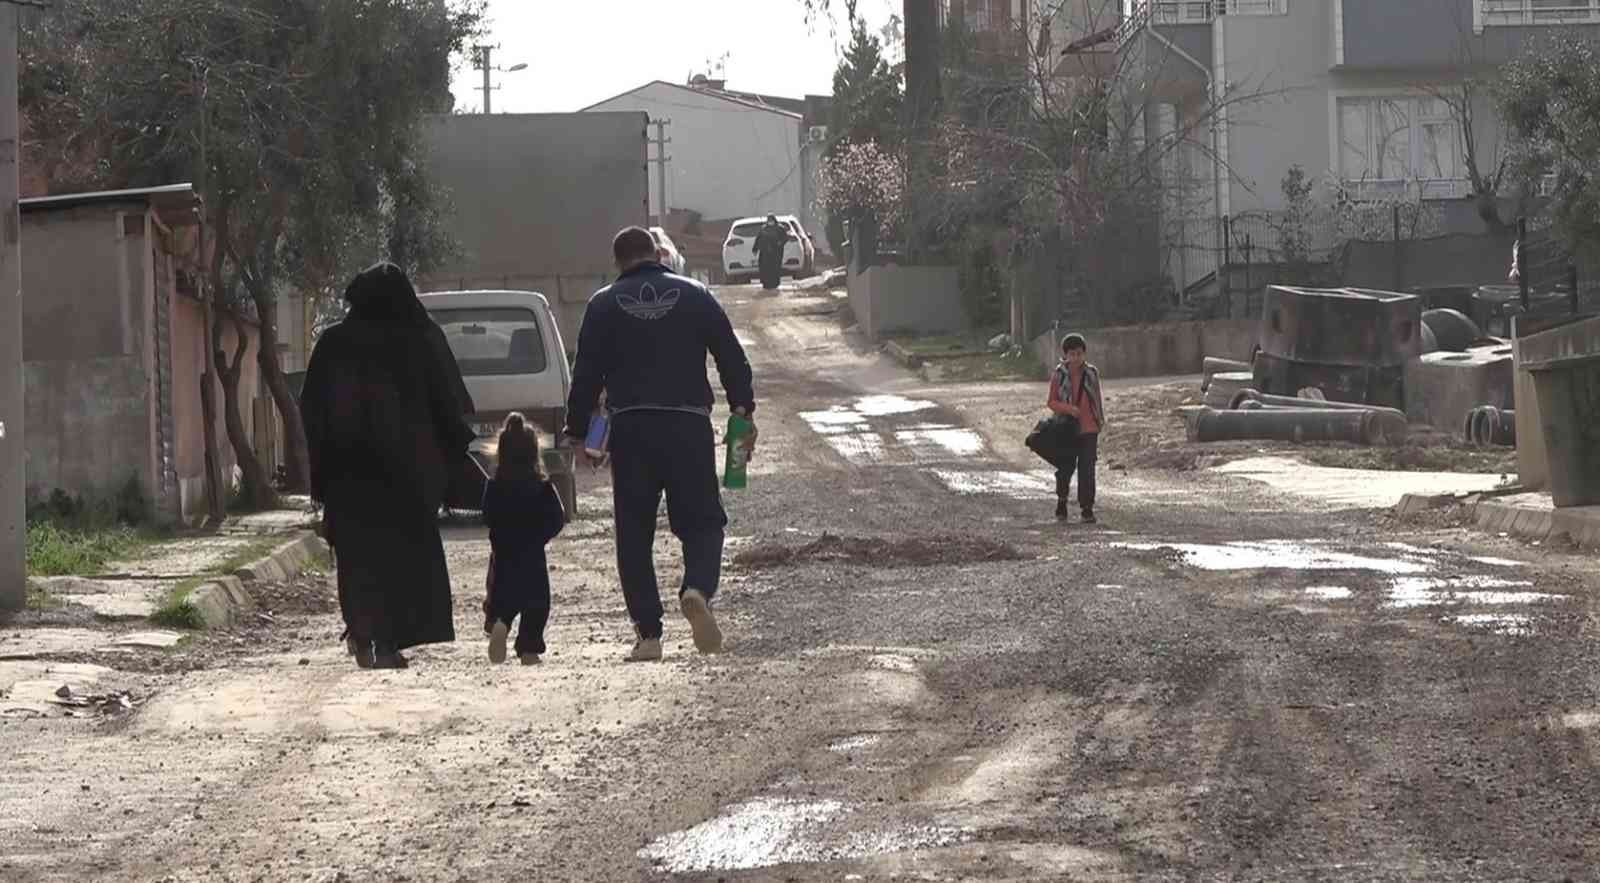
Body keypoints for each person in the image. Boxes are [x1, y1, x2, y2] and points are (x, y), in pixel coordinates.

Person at [566, 226, 756, 662]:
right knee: (703, 522)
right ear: (657, 254)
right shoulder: (695, 294)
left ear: (618, 262)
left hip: (630, 430)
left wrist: (580, 432)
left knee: (634, 534)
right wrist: (742, 407)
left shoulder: (602, 304)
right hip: (687, 425)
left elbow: (587, 376)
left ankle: (649, 635)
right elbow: (730, 353)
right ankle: (696, 589)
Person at [299, 261, 476, 669]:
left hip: (348, 474)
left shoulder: (334, 343)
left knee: (359, 560)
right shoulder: (422, 337)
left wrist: (320, 471)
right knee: (403, 558)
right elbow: (450, 403)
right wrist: (449, 460)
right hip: (409, 475)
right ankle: (389, 640)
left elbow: (312, 409)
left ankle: (366, 637)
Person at [481, 413, 566, 666]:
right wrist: (540, 536)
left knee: (502, 601)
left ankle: (500, 624)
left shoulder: (494, 486)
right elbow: (557, 517)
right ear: (534, 454)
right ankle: (529, 648)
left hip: (504, 557)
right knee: (536, 606)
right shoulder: (542, 487)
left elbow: (487, 515)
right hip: (533, 558)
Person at [1046, 333, 1105, 524]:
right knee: (1065, 468)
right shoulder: (1059, 375)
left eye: (1079, 353)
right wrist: (1069, 409)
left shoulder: (1092, 373)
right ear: (1065, 355)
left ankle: (1087, 509)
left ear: (1084, 354)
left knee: (1087, 469)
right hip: (1066, 428)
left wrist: (1099, 422)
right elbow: (1052, 402)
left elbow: (1097, 399)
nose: (1076, 357)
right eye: (1072, 354)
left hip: (1089, 429)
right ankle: (1061, 502)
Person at [752, 214, 788, 290]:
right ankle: (765, 283)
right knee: (764, 268)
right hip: (764, 253)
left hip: (776, 253)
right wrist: (755, 249)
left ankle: (774, 283)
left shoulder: (780, 228)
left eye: (771, 220)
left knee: (775, 268)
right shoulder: (764, 228)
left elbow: (785, 238)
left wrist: (780, 243)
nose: (770, 222)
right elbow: (758, 239)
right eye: (769, 220)